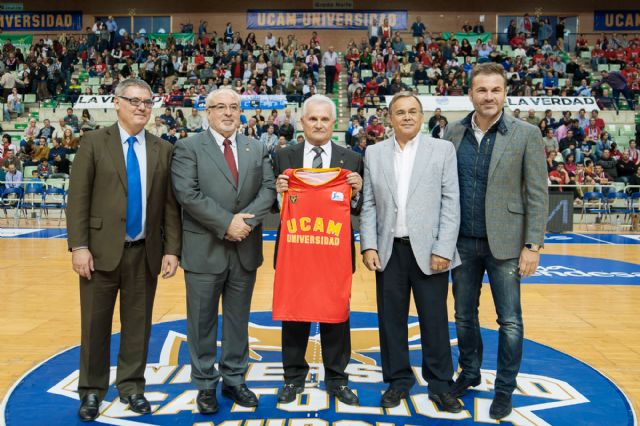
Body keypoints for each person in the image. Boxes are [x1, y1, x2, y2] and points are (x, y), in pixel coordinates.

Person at [66, 79, 182, 422]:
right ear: (116, 103)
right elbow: (78, 199)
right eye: (133, 100)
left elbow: (169, 207)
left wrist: (172, 249)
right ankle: (91, 390)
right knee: (94, 325)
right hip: (99, 253)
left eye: (147, 102)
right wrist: (79, 245)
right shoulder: (93, 142)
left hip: (144, 252)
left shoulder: (163, 148)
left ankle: (132, 387)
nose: (141, 107)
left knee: (138, 325)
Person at [443, 62, 548, 419]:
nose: (489, 97)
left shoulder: (526, 134)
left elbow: (537, 193)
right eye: (482, 90)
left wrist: (532, 245)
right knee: (463, 317)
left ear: (505, 93)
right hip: (462, 242)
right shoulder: (452, 133)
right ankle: (470, 373)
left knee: (510, 321)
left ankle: (504, 389)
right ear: (470, 94)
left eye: (495, 90)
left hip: (506, 243)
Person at [171, 88, 276, 414]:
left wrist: (244, 223)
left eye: (234, 107)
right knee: (201, 322)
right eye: (220, 107)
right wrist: (227, 223)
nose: (228, 113)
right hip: (204, 249)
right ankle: (204, 384)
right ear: (208, 111)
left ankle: (234, 379)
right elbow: (187, 194)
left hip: (245, 249)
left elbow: (268, 189)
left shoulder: (255, 147)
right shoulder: (188, 147)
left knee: (237, 320)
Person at [360, 92, 462, 412]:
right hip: (390, 251)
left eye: (413, 111)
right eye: (400, 112)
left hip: (430, 251)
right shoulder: (374, 153)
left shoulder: (442, 150)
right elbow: (369, 205)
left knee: (434, 320)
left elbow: (450, 202)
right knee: (391, 320)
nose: (406, 117)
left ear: (422, 116)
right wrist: (369, 245)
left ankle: (440, 384)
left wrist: (444, 247)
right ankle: (397, 380)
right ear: (389, 118)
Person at [271, 94, 363, 405]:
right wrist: (278, 193)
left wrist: (359, 190)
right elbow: (274, 205)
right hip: (295, 251)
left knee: (336, 316)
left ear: (333, 123)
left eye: (325, 119)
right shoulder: (283, 157)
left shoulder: (351, 159)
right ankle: (293, 378)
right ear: (302, 122)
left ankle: (337, 378)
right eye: (313, 119)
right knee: (294, 316)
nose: (319, 124)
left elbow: (359, 207)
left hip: (333, 252)